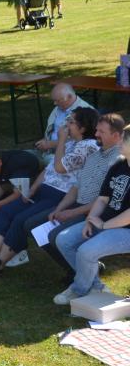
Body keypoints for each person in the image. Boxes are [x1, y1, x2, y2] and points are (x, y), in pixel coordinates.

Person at [0, 107, 99, 275]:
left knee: (22, 220)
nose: (66, 125)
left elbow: (59, 167)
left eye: (71, 122)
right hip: (45, 189)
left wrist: (61, 140)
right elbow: (49, 169)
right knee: (8, 210)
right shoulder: (72, 142)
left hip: (60, 194)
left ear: (83, 128)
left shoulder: (87, 146)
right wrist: (33, 188)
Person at [50, 124, 130, 305]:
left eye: (124, 138)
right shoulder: (119, 163)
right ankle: (94, 286)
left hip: (126, 229)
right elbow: (102, 198)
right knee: (64, 240)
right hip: (106, 222)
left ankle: (78, 289)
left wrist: (103, 225)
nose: (120, 141)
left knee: (86, 251)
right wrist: (90, 220)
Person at [0, 147, 42, 220]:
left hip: (34, 184)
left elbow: (18, 194)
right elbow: (2, 184)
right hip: (16, 182)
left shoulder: (16, 164)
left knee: (4, 210)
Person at [35, 83, 93, 164]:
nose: (54, 103)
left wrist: (51, 144)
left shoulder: (85, 112)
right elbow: (53, 130)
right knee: (21, 155)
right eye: (54, 100)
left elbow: (83, 141)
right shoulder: (59, 108)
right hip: (48, 151)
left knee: (38, 161)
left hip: (68, 154)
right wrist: (46, 140)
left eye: (58, 100)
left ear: (69, 97)